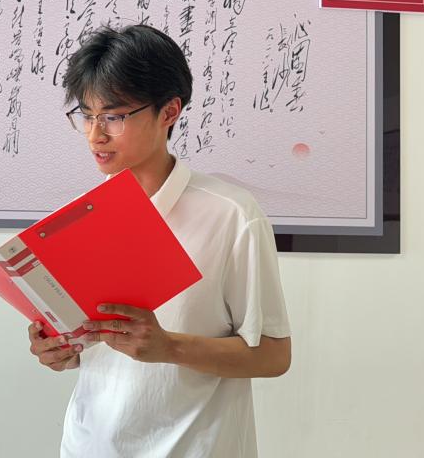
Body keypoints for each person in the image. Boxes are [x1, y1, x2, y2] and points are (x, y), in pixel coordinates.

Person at [28, 24, 292, 458]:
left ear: (169, 111)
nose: (95, 135)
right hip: (89, 445)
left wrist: (169, 347)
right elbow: (89, 350)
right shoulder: (78, 220)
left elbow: (274, 355)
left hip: (196, 448)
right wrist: (59, 351)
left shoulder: (232, 214)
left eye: (113, 117)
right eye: (86, 115)